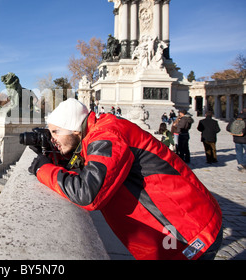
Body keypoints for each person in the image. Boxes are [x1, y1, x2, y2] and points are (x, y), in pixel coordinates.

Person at [28, 98, 222, 260]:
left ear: (75, 130)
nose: (52, 137)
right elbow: (94, 164)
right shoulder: (100, 130)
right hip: (181, 229)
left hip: (187, 233)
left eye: (55, 132)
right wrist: (57, 157)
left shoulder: (107, 135)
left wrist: (43, 169)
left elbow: (87, 193)